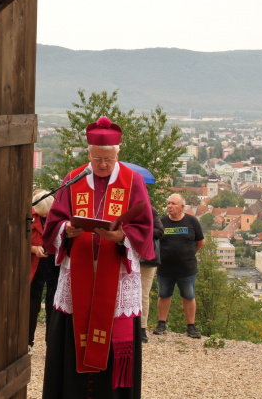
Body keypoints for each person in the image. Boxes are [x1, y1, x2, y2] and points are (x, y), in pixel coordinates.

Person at [41, 116, 154, 399]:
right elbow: (53, 223)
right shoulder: (74, 178)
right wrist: (67, 229)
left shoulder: (133, 181)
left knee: (114, 344)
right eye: (97, 158)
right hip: (78, 273)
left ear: (118, 153)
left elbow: (144, 227)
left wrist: (122, 236)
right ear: (88, 154)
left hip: (114, 275)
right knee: (72, 334)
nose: (103, 164)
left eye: (108, 158)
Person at [153, 193, 205, 339]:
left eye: (173, 204)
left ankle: (191, 326)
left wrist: (187, 254)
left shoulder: (192, 221)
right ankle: (161, 324)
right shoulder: (161, 222)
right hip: (165, 268)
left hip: (187, 269)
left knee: (189, 296)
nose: (170, 206)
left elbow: (200, 242)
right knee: (163, 295)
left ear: (182, 207)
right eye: (169, 203)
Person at [29, 190, 60, 352]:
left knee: (53, 303)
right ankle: (28, 342)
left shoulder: (57, 213)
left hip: (55, 262)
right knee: (32, 303)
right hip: (35, 264)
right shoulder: (29, 214)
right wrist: (33, 248)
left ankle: (52, 342)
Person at [139, 206, 164, 343]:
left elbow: (160, 232)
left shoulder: (149, 209)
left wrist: (139, 232)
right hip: (124, 256)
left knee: (143, 294)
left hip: (145, 258)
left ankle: (142, 328)